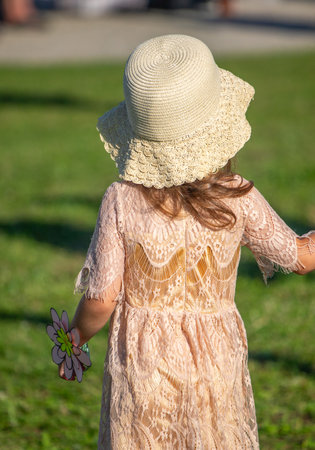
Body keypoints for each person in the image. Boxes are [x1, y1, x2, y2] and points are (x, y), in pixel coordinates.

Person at [59, 35, 315, 449]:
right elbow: (300, 257)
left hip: (142, 369)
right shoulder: (238, 195)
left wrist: (76, 336)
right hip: (217, 364)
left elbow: (102, 299)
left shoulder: (121, 200)